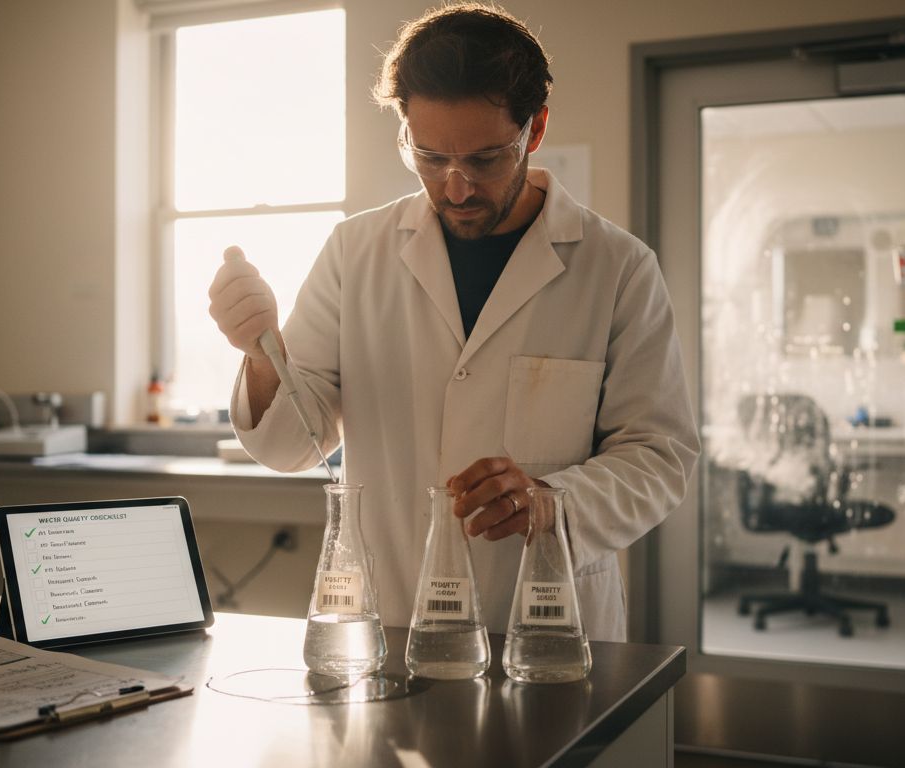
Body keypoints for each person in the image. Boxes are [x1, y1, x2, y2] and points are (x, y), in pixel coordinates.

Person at [209, 3, 698, 642]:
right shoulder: (356, 252)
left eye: (487, 159)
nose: (457, 186)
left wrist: (550, 501)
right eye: (431, 156)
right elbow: (290, 445)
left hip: (545, 625)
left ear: (536, 128)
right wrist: (262, 351)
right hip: (391, 618)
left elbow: (659, 458)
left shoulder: (617, 267)